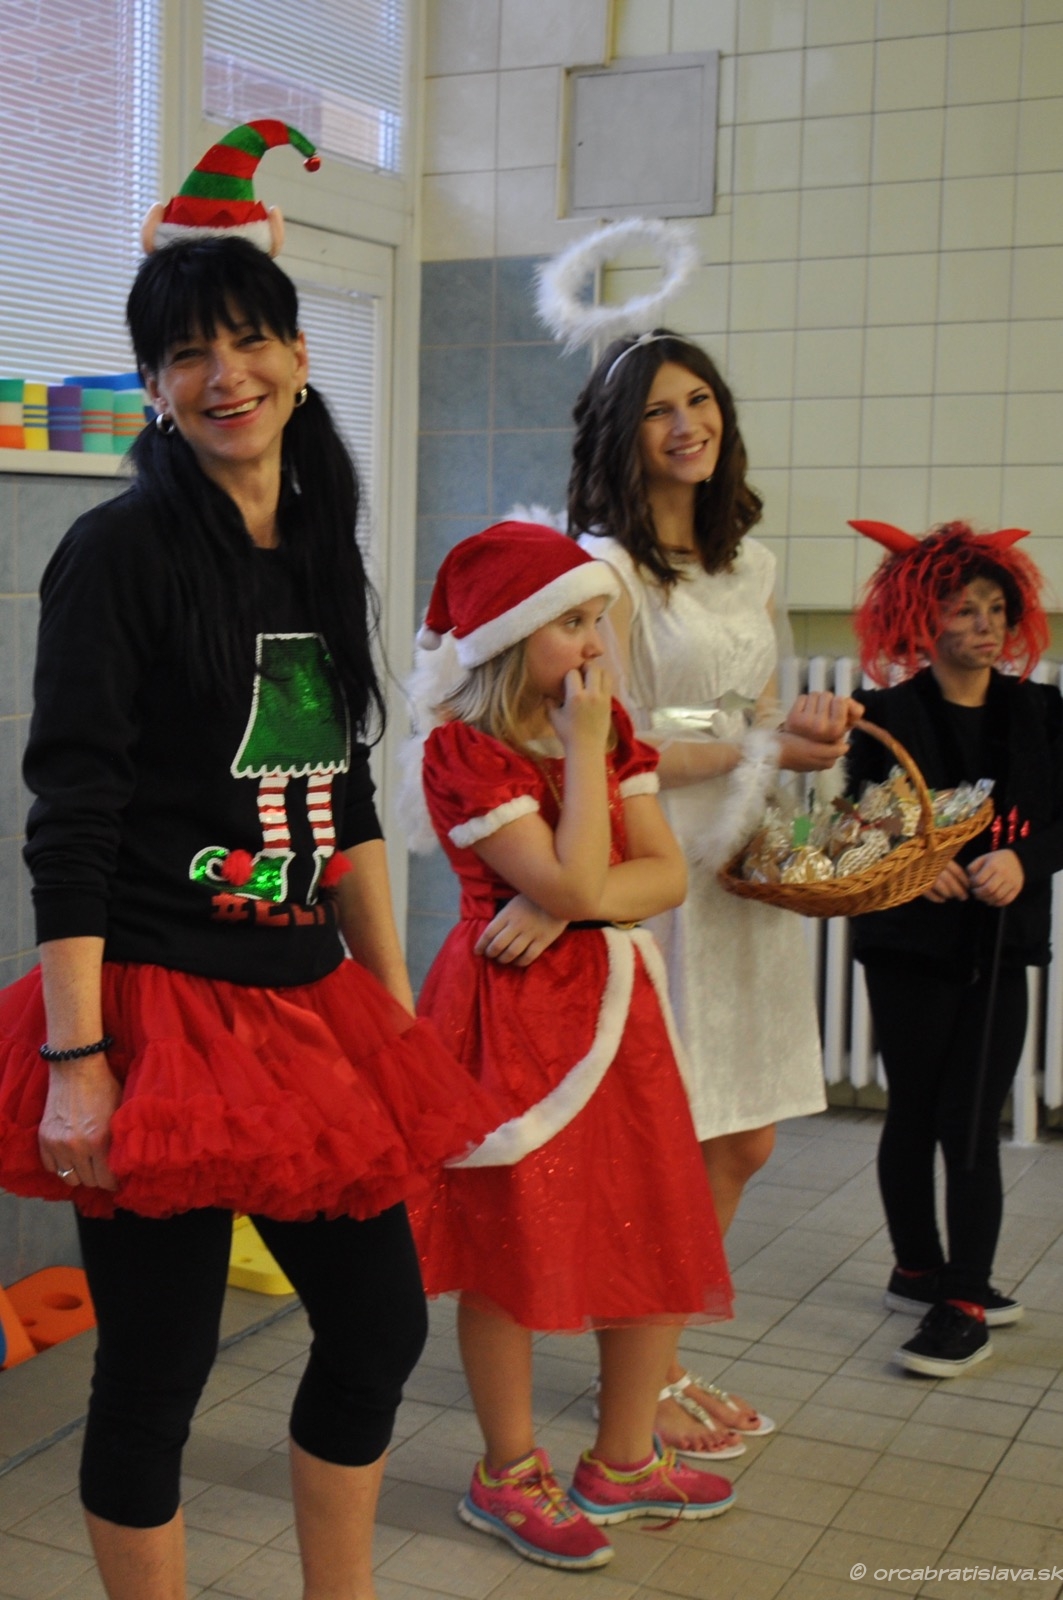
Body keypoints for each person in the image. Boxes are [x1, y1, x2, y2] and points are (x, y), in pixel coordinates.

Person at [0, 235, 492, 1600]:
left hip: (303, 997)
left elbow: (342, 798)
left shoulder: (317, 546)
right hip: (152, 1005)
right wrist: (77, 1061)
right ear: (155, 389)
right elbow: (72, 820)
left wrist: (387, 1001)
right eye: (186, 355)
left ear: (298, 356)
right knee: (156, 1370)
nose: (225, 375)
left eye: (248, 340)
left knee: (379, 1327)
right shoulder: (118, 553)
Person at [405, 521, 737, 1572]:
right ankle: (507, 1470)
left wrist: (566, 900)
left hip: (619, 1018)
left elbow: (661, 877)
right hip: (508, 1026)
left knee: (648, 1220)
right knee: (508, 1241)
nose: (596, 642)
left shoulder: (614, 729)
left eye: (599, 619)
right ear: (509, 640)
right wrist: (584, 777)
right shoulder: (463, 752)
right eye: (573, 623)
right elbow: (585, 877)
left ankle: (623, 1461)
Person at [563, 329, 860, 1452]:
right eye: (657, 408)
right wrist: (750, 737)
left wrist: (801, 734)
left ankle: (660, 1352)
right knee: (664, 1144)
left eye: (699, 400)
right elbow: (615, 734)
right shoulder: (604, 572)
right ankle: (634, 1379)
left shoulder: (751, 564)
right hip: (655, 866)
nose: (686, 424)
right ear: (619, 433)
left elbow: (760, 709)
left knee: (742, 1141)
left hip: (740, 870)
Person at [846, 518, 1063, 1377]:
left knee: (969, 1115)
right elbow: (853, 825)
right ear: (920, 620)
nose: (984, 625)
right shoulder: (884, 717)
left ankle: (963, 1296)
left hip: (998, 945)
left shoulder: (1039, 712)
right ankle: (917, 1269)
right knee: (913, 1108)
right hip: (906, 945)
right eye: (964, 609)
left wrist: (1022, 860)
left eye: (996, 609)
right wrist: (911, 861)